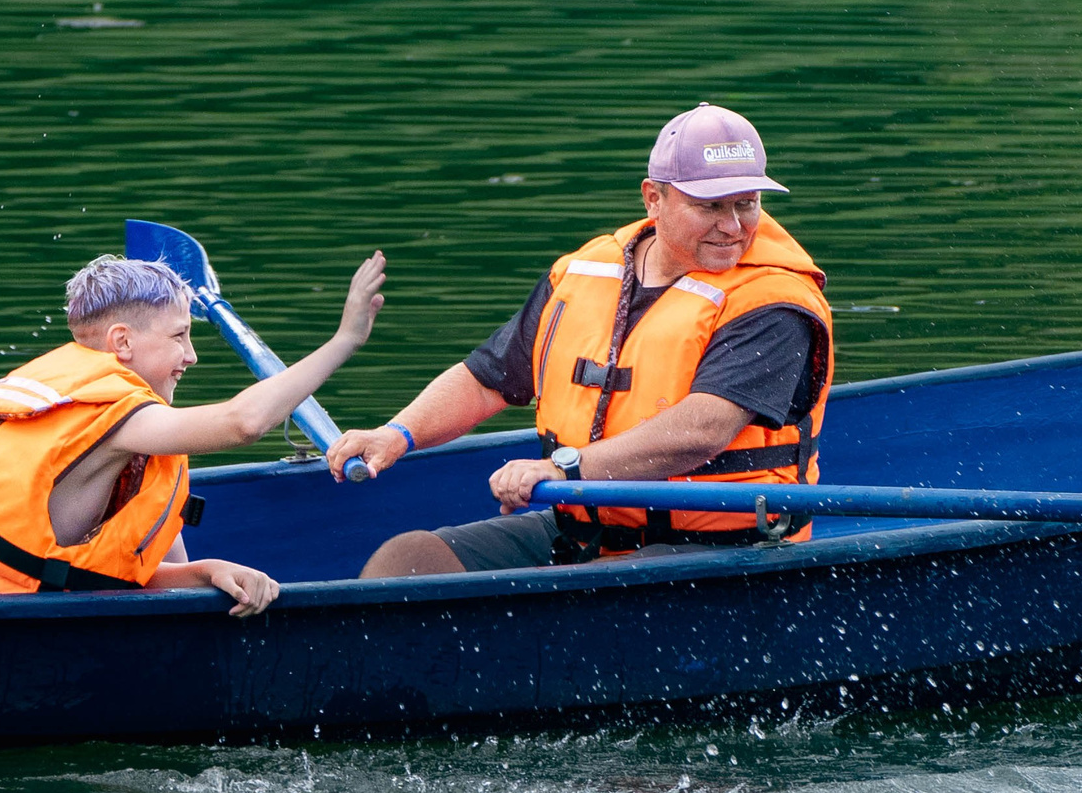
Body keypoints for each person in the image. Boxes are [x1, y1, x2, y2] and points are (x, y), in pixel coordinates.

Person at [325, 103, 832, 577]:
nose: (734, 226)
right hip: (588, 528)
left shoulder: (773, 302)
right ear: (654, 198)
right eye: (711, 206)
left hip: (730, 546)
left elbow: (702, 430)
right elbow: (485, 381)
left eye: (747, 204)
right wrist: (397, 434)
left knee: (594, 587)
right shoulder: (584, 272)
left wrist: (562, 467)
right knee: (409, 558)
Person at [0, 249, 386, 609]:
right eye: (179, 336)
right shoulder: (115, 417)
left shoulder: (67, 401)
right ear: (122, 342)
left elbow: (127, 572)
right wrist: (345, 340)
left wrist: (207, 571)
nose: (191, 356)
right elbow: (244, 422)